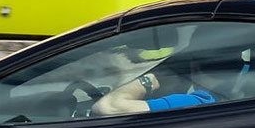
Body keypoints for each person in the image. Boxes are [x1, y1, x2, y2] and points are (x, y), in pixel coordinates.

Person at [87, 41, 215, 115]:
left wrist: (147, 81)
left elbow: (107, 106)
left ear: (194, 67)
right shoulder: (228, 101)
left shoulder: (197, 103)